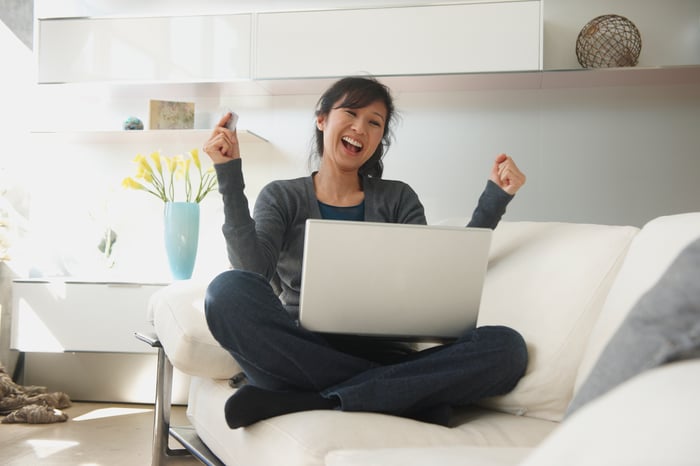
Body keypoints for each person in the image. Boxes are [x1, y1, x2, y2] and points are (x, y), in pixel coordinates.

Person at [202, 76, 528, 429]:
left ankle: (314, 399)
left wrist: (493, 202)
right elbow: (252, 271)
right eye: (351, 113)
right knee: (226, 291)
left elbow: (438, 276)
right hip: (302, 351)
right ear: (322, 119)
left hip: (386, 356)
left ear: (380, 139)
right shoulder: (282, 197)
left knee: (506, 348)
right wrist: (228, 175)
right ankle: (395, 394)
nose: (361, 127)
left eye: (375, 122)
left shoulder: (398, 198)